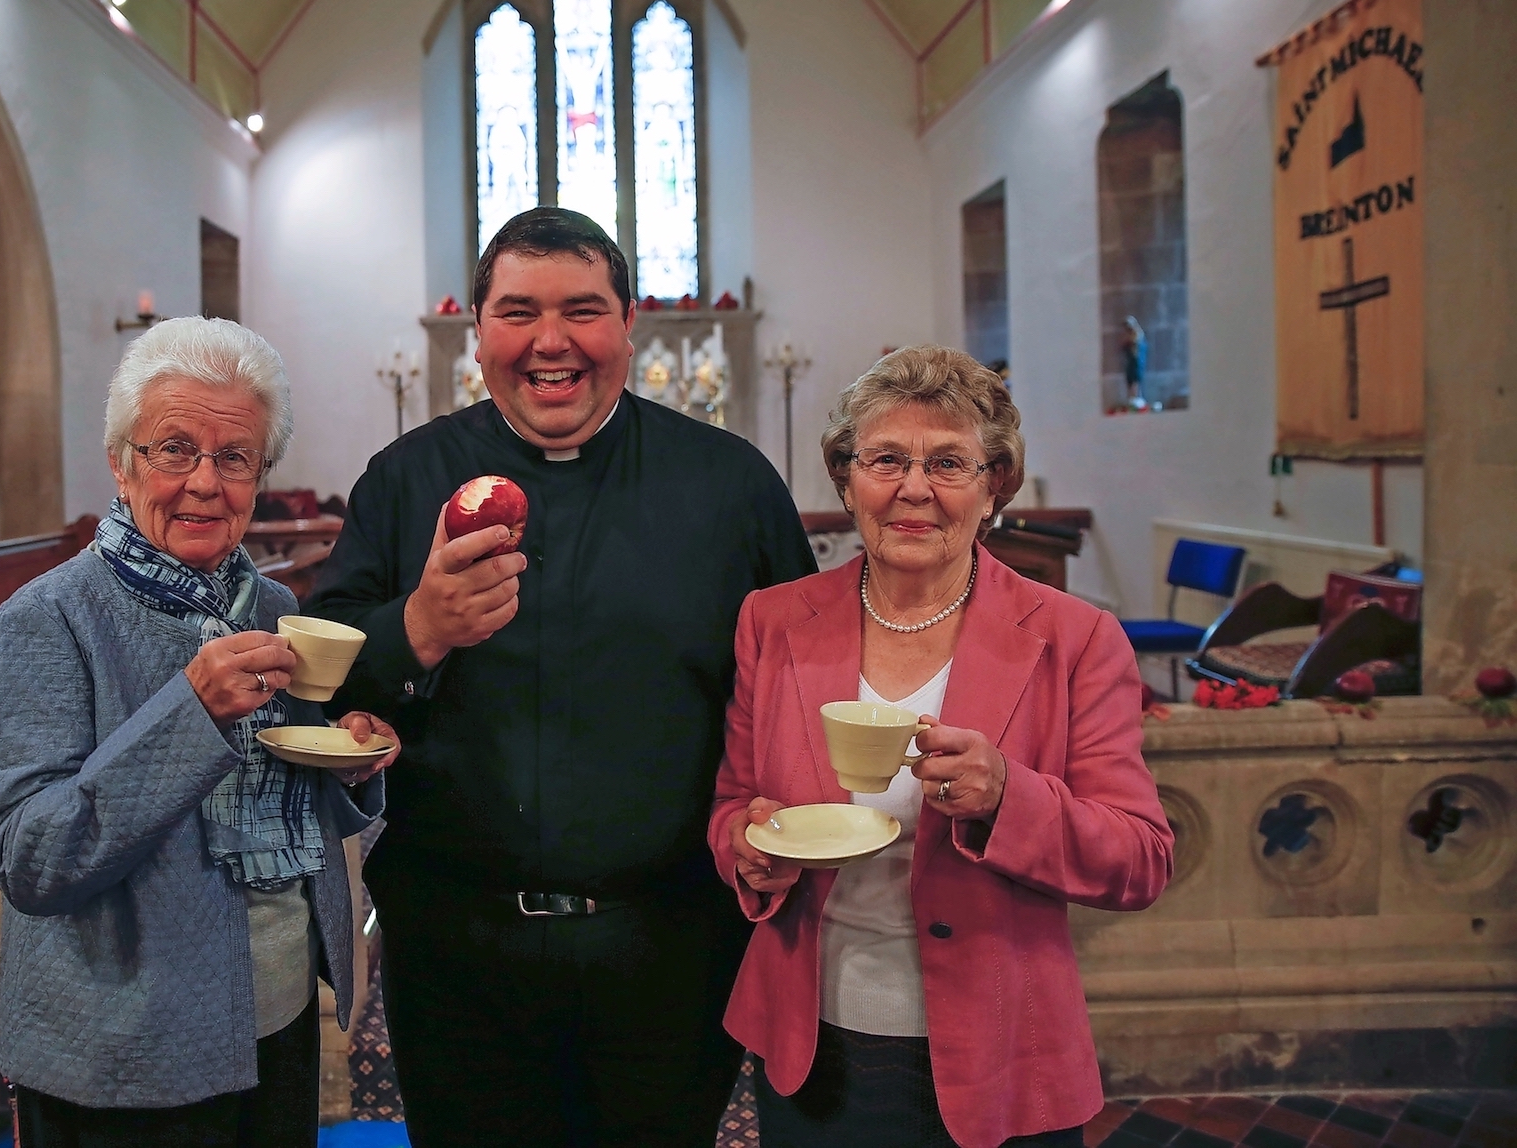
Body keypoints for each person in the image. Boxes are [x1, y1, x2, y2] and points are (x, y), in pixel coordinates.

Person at [305, 207, 817, 1147]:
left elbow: (801, 681)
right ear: (478, 333)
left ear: (630, 322)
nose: (551, 343)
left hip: (669, 947)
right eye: (518, 312)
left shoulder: (730, 484)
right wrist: (415, 631)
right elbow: (322, 677)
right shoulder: (404, 478)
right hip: (458, 951)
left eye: (582, 310)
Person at [711, 345, 1172, 1148]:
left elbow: (1140, 859)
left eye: (949, 462)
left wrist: (1007, 796)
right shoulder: (775, 621)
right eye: (885, 458)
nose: (914, 488)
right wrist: (750, 853)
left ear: (994, 484)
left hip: (1003, 1047)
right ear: (847, 478)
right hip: (814, 1043)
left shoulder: (1074, 638)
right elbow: (732, 806)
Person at [0, 317, 399, 1147]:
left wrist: (350, 767)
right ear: (122, 463)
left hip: (276, 1020)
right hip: (122, 1049)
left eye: (234, 457)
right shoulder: (45, 620)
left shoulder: (276, 610)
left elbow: (293, 790)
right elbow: (28, 858)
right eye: (175, 449)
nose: (205, 482)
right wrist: (190, 713)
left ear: (260, 477)